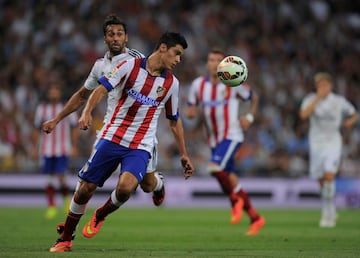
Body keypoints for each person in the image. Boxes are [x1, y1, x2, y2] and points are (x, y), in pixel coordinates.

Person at [49, 31, 195, 252]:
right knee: (86, 188)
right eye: (177, 53)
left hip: (141, 143)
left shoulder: (172, 84)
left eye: (181, 56)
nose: (178, 60)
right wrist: (87, 111)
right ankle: (66, 239)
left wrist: (184, 154)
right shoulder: (130, 66)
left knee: (127, 188)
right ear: (163, 48)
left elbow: (174, 120)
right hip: (112, 136)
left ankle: (100, 214)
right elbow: (100, 89)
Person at [42, 14, 166, 207]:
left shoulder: (139, 60)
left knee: (147, 185)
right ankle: (70, 224)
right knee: (86, 183)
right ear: (105, 39)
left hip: (139, 134)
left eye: (119, 34)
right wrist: (56, 119)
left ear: (126, 38)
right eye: (111, 34)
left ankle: (158, 184)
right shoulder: (100, 65)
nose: (115, 38)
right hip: (110, 130)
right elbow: (83, 95)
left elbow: (159, 85)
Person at [186, 49, 265, 236]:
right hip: (213, 139)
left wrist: (250, 117)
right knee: (228, 178)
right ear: (207, 64)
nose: (214, 63)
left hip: (232, 135)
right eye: (211, 60)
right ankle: (255, 217)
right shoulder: (198, 85)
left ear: (224, 65)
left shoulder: (232, 81)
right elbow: (191, 106)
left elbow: (253, 97)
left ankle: (234, 200)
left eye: (218, 60)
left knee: (214, 166)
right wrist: (190, 112)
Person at [299, 72, 358, 228]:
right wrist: (317, 98)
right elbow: (303, 115)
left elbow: (354, 113)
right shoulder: (310, 99)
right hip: (316, 143)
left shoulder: (338, 101)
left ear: (330, 86)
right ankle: (330, 205)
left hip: (333, 141)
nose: (322, 87)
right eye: (319, 85)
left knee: (329, 174)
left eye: (324, 84)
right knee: (320, 179)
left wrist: (349, 122)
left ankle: (327, 212)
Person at [31, 83, 78, 219]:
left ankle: (65, 203)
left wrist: (74, 145)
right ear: (48, 94)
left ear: (59, 93)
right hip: (46, 148)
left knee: (61, 177)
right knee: (49, 178)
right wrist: (34, 148)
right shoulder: (42, 109)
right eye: (51, 91)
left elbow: (74, 127)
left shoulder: (66, 107)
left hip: (62, 148)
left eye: (56, 91)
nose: (53, 94)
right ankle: (51, 207)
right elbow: (36, 129)